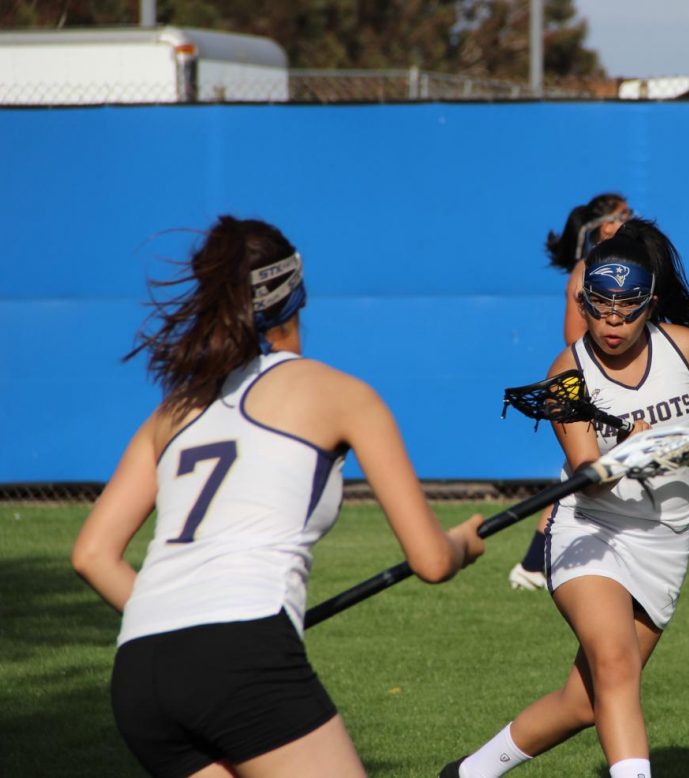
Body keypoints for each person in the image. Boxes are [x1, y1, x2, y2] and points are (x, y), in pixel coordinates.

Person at [71, 215, 486, 778]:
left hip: (141, 663)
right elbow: (431, 561)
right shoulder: (342, 395)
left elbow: (91, 554)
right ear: (298, 292)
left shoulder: (173, 410)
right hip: (243, 652)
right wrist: (462, 542)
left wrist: (184, 625)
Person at [442, 218, 689, 778]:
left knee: (585, 701)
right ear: (584, 299)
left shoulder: (686, 348)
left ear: (649, 302)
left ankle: (468, 774)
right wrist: (625, 445)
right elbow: (586, 473)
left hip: (665, 541)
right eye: (600, 307)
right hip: (591, 533)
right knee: (616, 665)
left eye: (627, 308)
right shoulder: (568, 373)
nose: (613, 322)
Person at [508, 192, 632, 591]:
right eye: (624, 215)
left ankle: (534, 564)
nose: (632, 220)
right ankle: (531, 565)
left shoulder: (616, 269)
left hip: (605, 383)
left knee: (582, 476)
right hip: (589, 388)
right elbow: (572, 338)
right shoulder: (587, 271)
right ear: (605, 226)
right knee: (582, 475)